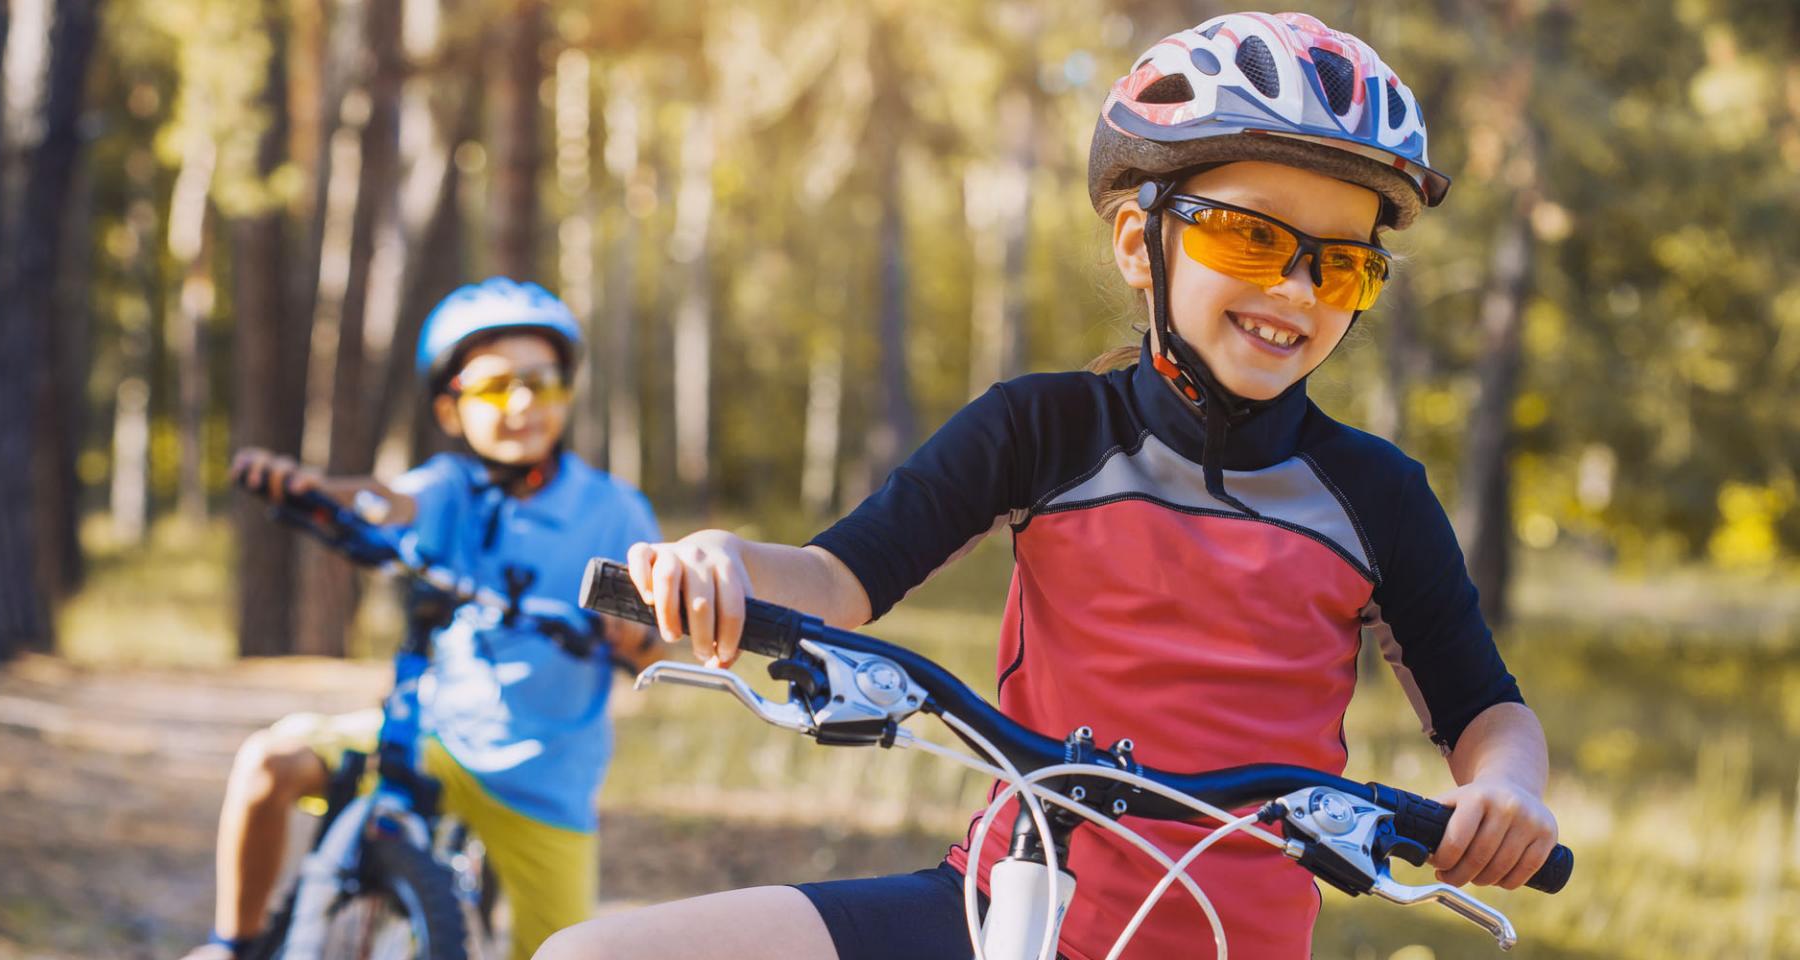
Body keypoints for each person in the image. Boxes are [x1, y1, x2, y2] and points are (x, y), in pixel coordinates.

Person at [536, 12, 1558, 960]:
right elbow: (834, 579)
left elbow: (1486, 712)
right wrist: (720, 564)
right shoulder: (1044, 429)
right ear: (1137, 244)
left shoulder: (1372, 495)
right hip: (999, 911)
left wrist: (1507, 791)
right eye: (1250, 237)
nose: (1293, 287)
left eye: (1338, 267)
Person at [181, 278, 663, 960]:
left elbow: (658, 646)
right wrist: (313, 490)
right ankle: (230, 944)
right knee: (268, 764)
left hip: (546, 784)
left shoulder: (614, 511)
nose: (523, 403)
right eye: (496, 388)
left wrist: (635, 639)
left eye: (542, 382)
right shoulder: (449, 490)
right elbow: (383, 501)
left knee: (571, 950)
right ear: (450, 407)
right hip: (440, 740)